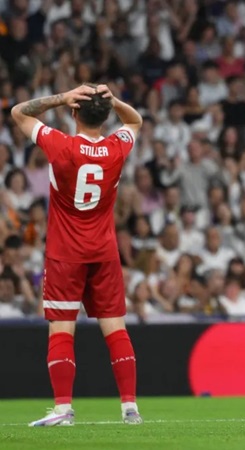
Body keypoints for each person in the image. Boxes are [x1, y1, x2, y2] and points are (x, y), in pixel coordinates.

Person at [11, 83, 144, 426]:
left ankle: (63, 410)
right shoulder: (117, 147)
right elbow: (136, 122)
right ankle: (130, 409)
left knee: (61, 330)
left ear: (74, 112)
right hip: (104, 251)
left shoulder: (61, 145)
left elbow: (18, 113)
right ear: (105, 115)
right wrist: (113, 99)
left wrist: (60, 96)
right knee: (115, 330)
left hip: (65, 253)